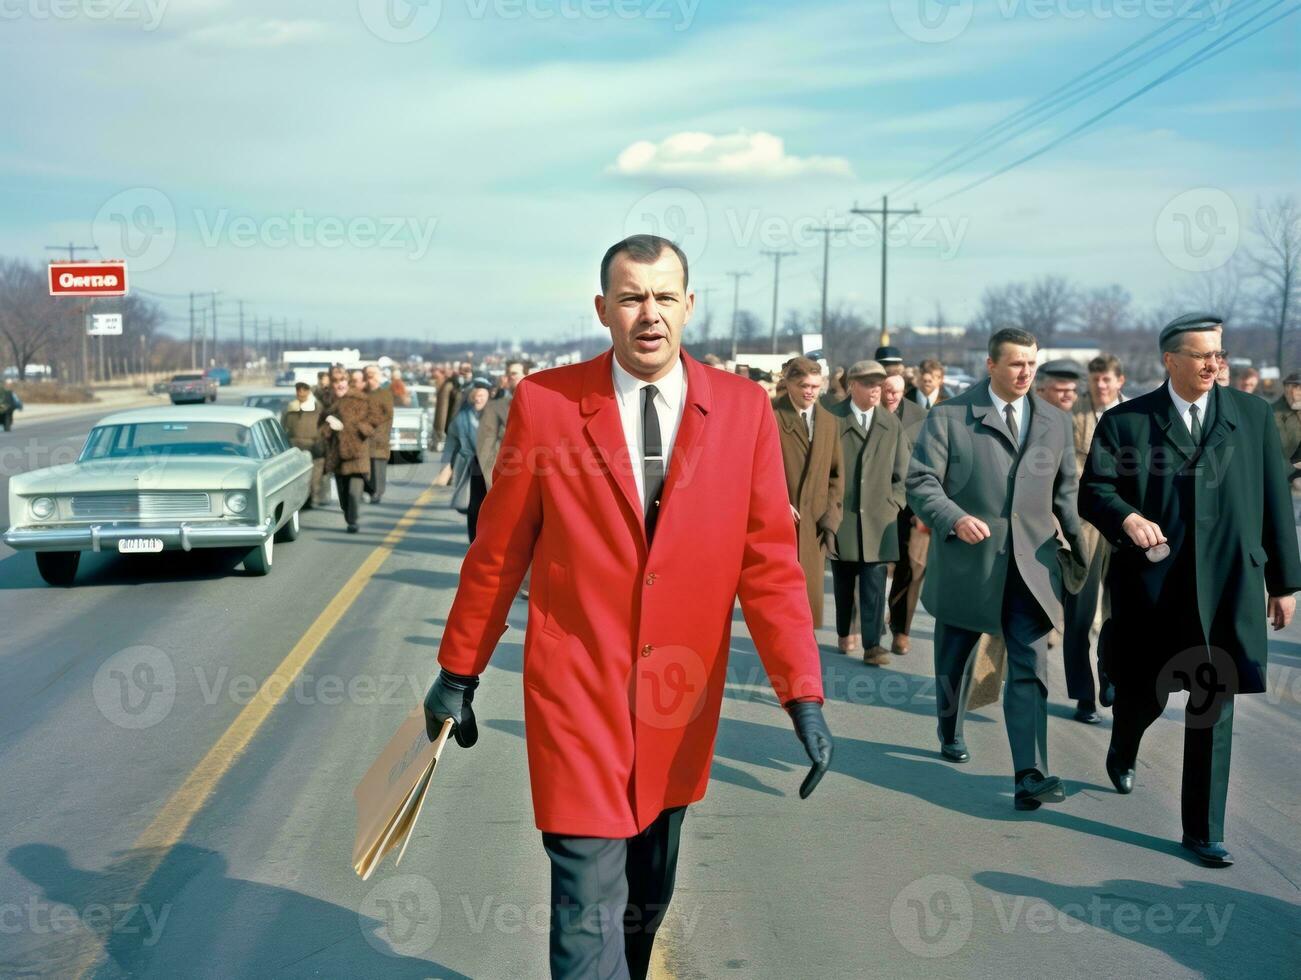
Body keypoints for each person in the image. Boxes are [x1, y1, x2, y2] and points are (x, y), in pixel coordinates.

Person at [423, 235, 831, 980]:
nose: (650, 313)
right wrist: (459, 670)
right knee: (585, 899)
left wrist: (800, 690)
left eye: (665, 296)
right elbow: (498, 550)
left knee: (646, 892)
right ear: (602, 309)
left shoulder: (741, 410)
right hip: (575, 690)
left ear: (689, 306)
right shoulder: (546, 404)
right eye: (632, 297)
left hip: (678, 696)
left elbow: (769, 564)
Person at [1081, 313, 1301, 867]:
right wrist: (1126, 517)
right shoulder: (1128, 423)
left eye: (1219, 355)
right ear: (1170, 360)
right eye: (1202, 355)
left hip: (1229, 586)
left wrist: (1284, 583)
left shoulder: (1251, 416)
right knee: (1144, 695)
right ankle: (1123, 743)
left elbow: (1276, 499)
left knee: (1213, 704)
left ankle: (1203, 831)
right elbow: (1095, 491)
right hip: (1155, 590)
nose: (1213, 365)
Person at [907, 327, 1086, 810]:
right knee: (955, 661)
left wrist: (1079, 560)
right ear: (991, 365)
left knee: (1029, 670)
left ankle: (1030, 773)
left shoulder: (1054, 421)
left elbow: (1066, 495)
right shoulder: (950, 417)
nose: (1026, 372)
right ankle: (949, 725)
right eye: (1015, 364)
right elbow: (921, 483)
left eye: (1032, 363)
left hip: (1032, 569)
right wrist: (954, 518)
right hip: (971, 568)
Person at [828, 360, 908, 664]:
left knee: (875, 584)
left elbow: (903, 472)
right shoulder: (831, 419)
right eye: (868, 384)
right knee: (843, 581)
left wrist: (895, 504)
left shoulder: (891, 424)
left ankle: (873, 645)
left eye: (879, 384)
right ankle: (844, 629)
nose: (875, 390)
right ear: (852, 386)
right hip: (842, 516)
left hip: (879, 518)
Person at [774, 356, 843, 630]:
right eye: (803, 385)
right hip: (780, 523)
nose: (810, 391)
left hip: (815, 524)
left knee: (808, 611)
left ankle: (802, 661)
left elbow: (837, 475)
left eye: (815, 386)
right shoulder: (771, 415)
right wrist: (777, 502)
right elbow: (754, 467)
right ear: (789, 383)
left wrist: (831, 514)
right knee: (780, 605)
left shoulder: (828, 421)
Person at [883, 373, 928, 655]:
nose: (891, 396)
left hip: (908, 505)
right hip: (870, 503)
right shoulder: (864, 410)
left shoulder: (920, 417)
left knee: (909, 568)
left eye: (896, 391)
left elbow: (929, 465)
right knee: (869, 567)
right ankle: (858, 626)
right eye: (886, 389)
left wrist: (923, 508)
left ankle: (901, 629)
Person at [436, 378, 492, 540]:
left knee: (493, 504)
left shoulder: (498, 415)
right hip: (472, 463)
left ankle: (489, 537)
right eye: (475, 395)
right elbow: (450, 444)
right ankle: (474, 539)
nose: (478, 398)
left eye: (482, 395)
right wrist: (446, 467)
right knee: (474, 505)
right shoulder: (461, 419)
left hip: (494, 464)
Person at [319, 375, 374, 533]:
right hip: (337, 455)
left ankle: (353, 521)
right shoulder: (328, 403)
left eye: (342, 382)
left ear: (348, 384)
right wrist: (329, 425)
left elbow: (372, 424)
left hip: (357, 453)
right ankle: (349, 515)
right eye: (336, 383)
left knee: (352, 493)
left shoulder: (362, 401)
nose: (339, 385)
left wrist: (346, 427)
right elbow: (321, 429)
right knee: (343, 495)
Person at [281, 382, 327, 508]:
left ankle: (314, 498)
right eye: (298, 390)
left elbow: (324, 425)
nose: (301, 392)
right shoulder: (290, 408)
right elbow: (283, 426)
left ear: (309, 391)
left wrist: (320, 440)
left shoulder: (317, 407)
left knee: (315, 474)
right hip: (294, 446)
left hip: (313, 444)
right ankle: (298, 500)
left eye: (304, 390)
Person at [363, 364, 394, 505]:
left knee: (377, 465)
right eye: (367, 375)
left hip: (379, 435)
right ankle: (368, 491)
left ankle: (377, 492)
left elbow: (387, 414)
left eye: (373, 374)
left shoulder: (385, 394)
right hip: (364, 436)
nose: (370, 378)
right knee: (366, 466)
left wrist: (371, 424)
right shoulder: (362, 393)